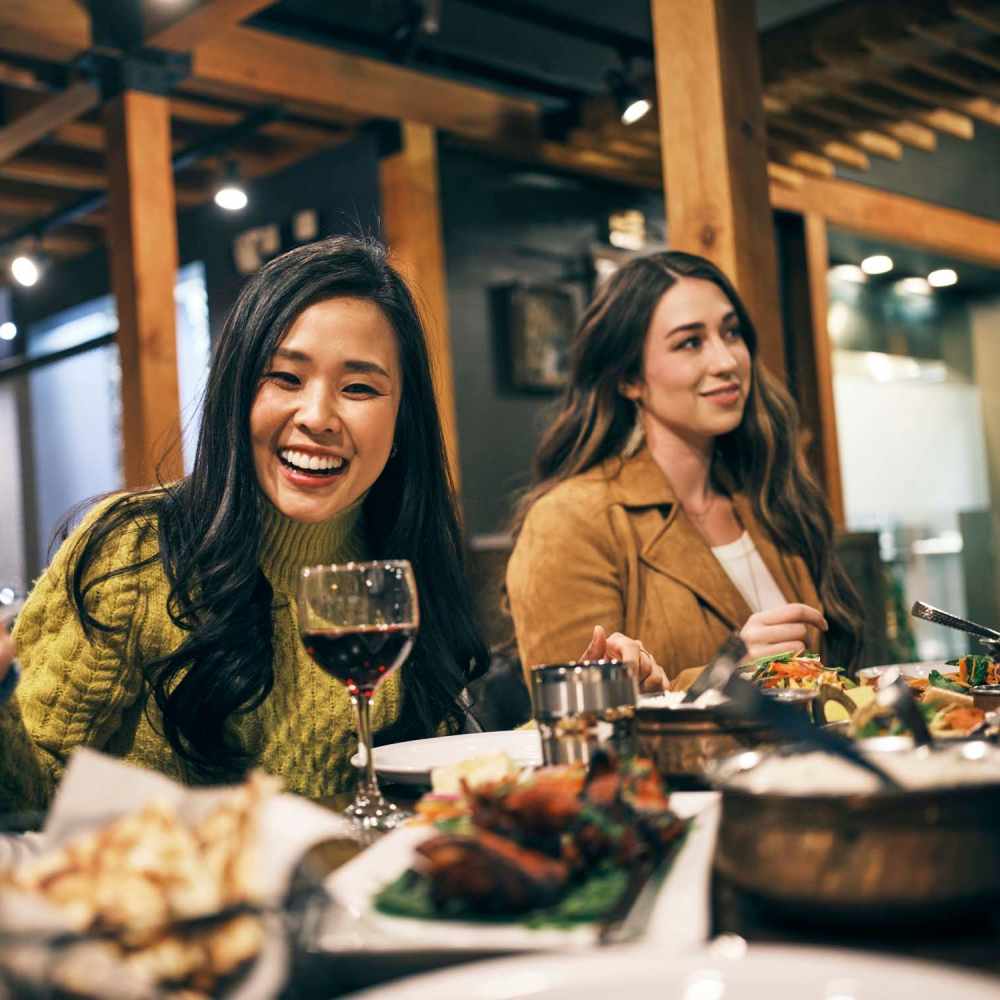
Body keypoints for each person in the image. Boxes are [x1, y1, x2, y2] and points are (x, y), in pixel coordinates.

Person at [0, 236, 661, 815]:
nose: (317, 415)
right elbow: (30, 800)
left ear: (402, 420)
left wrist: (588, 719)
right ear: (237, 395)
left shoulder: (398, 570)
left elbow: (439, 784)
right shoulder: (140, 549)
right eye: (285, 378)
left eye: (359, 388)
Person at [506, 250, 863, 687]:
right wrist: (730, 671)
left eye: (731, 333)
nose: (726, 361)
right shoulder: (570, 520)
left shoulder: (768, 497)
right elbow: (579, 720)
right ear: (630, 379)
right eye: (690, 342)